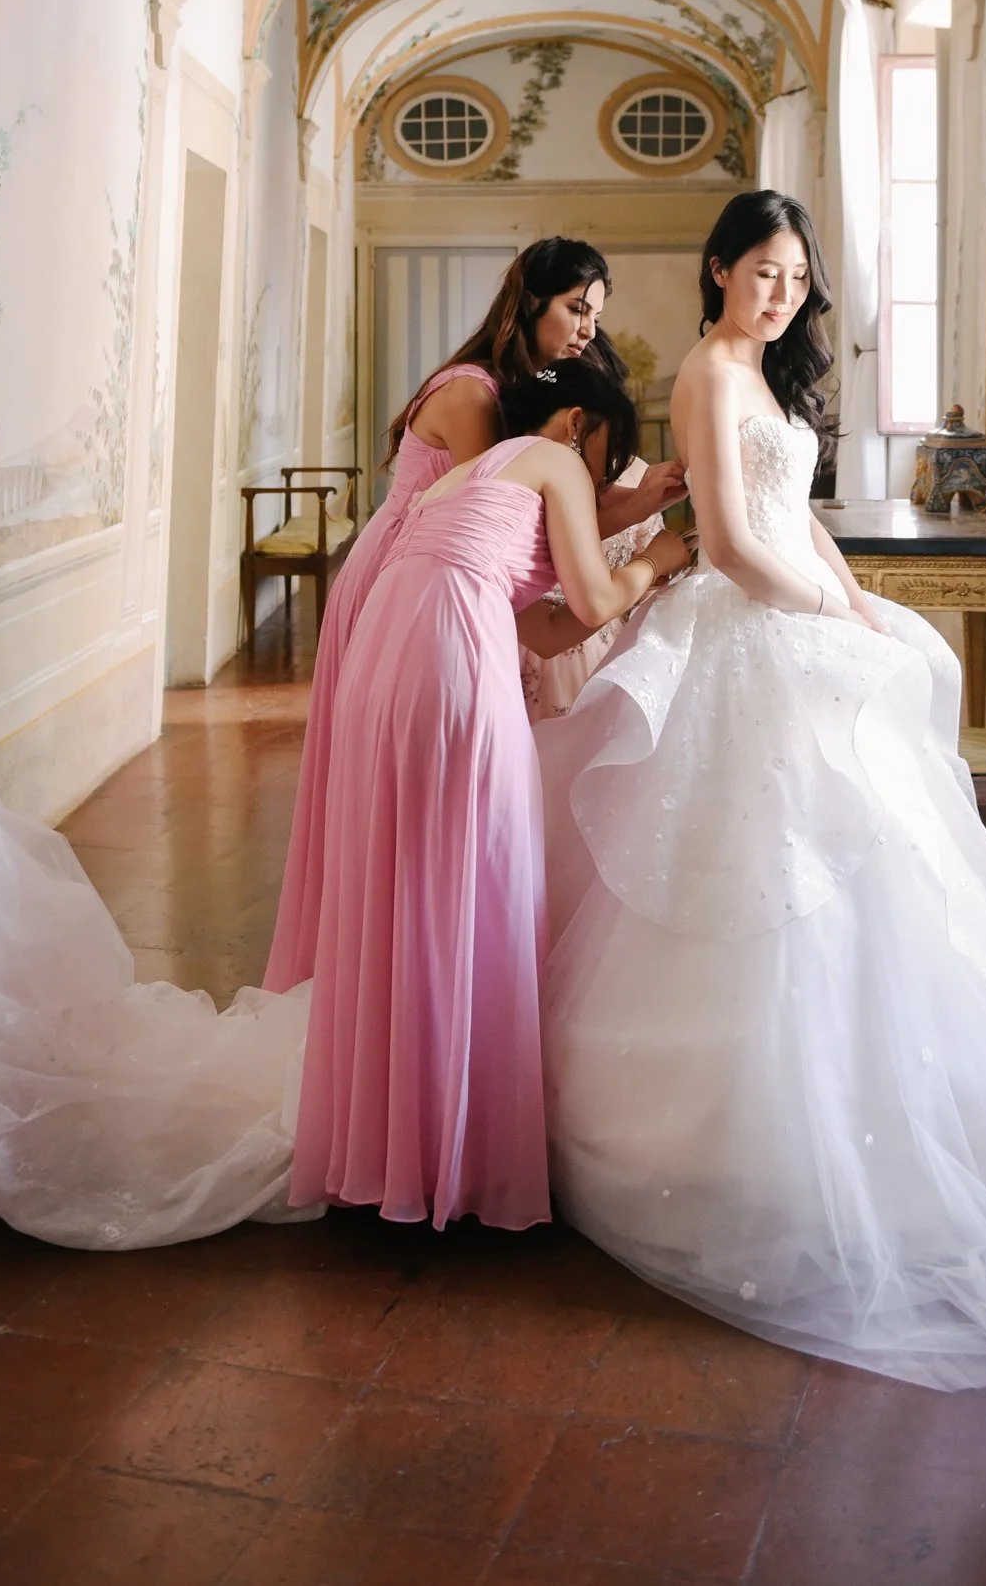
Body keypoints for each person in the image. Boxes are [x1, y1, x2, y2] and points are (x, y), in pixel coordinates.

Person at [536, 190, 986, 1390]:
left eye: (796, 278)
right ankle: (741, 1147)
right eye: (762, 272)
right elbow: (726, 541)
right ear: (719, 268)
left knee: (880, 861)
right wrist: (827, 607)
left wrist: (859, 596)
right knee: (766, 874)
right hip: (744, 637)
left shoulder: (770, 380)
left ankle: (881, 1120)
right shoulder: (709, 374)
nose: (780, 294)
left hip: (800, 613)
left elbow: (799, 516)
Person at [289, 357, 695, 1231]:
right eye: (602, 457)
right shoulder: (545, 458)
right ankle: (458, 1151)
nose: (595, 478)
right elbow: (591, 591)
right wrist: (659, 558)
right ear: (575, 425)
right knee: (481, 880)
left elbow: (547, 627)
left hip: (383, 659)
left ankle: (392, 1141)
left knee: (397, 889)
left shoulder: (468, 480)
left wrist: (638, 528)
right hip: (450, 660)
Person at [262, 238, 684, 992]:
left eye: (595, 313)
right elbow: (535, 518)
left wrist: (647, 499)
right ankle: (401, 957)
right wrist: (649, 542)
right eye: (574, 308)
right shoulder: (474, 395)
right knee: (421, 781)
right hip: (415, 572)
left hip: (463, 575)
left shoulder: (526, 400)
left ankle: (433, 950)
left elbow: (553, 519)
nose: (587, 326)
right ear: (529, 302)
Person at [519, 327, 666, 720]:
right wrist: (653, 563)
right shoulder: (530, 482)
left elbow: (646, 591)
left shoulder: (635, 477)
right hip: (530, 647)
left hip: (607, 654)